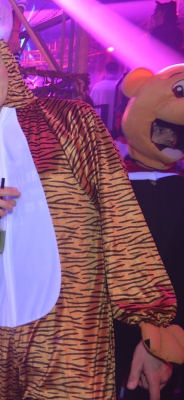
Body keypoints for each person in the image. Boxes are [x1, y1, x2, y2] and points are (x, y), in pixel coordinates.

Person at [0, 5, 177, 399]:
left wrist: (152, 332)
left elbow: (122, 221)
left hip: (67, 340)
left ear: (7, 63)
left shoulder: (73, 123)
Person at [114, 65, 184, 400]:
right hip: (100, 337)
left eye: (176, 133)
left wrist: (167, 339)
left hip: (160, 342)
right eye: (162, 129)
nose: (170, 139)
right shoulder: (107, 184)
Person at [90, 61, 120, 131]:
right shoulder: (122, 86)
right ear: (118, 71)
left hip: (101, 124)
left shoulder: (98, 86)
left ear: (106, 71)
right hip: (117, 125)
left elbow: (91, 103)